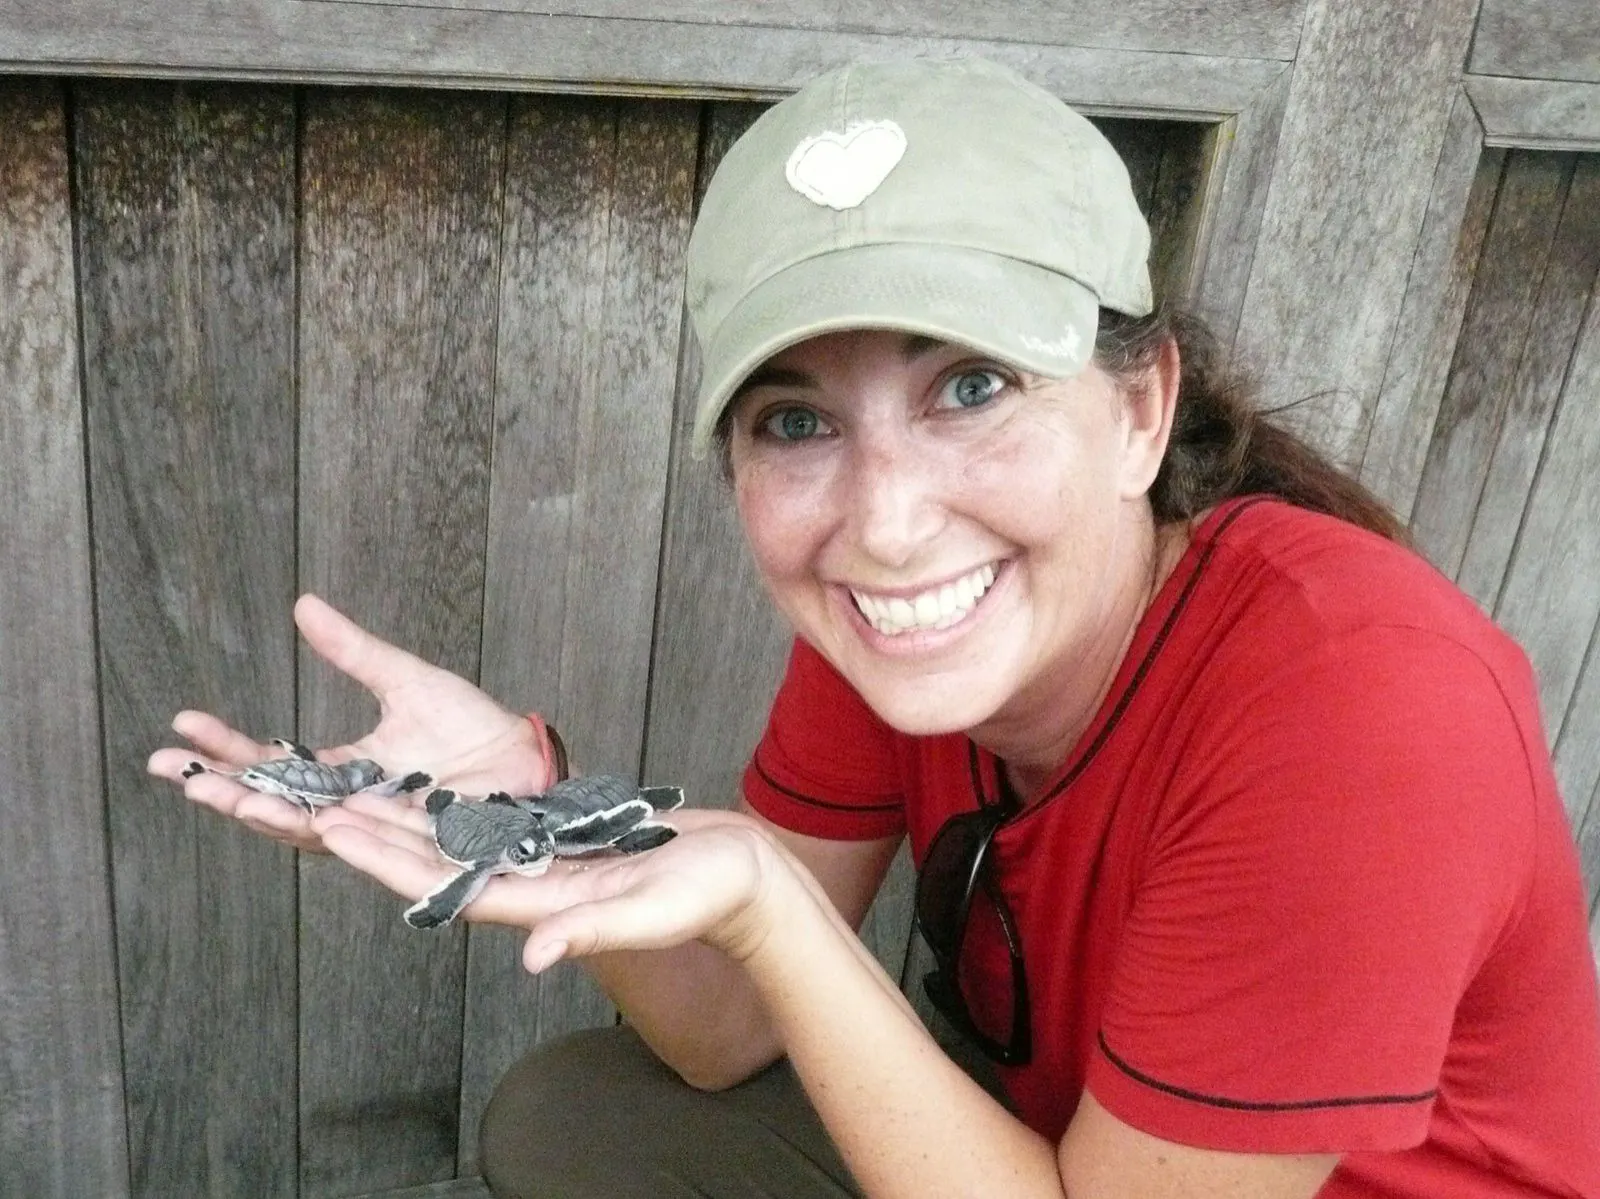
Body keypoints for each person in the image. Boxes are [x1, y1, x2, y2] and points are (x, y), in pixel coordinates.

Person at [150, 56, 1600, 1199]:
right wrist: (540, 816)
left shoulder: (1365, 710)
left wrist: (776, 908)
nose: (889, 521)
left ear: (1140, 411)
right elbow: (723, 1033)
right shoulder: (904, 624)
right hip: (1059, 1154)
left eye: (972, 386)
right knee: (581, 1120)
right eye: (798, 421)